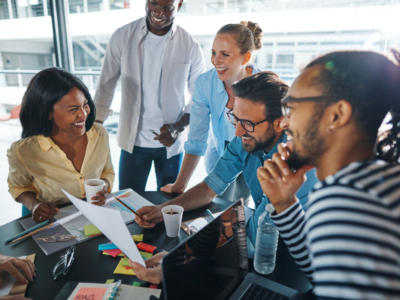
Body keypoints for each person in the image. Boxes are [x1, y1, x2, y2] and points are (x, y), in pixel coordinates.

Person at [257, 50, 400, 299]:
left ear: (337, 115)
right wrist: (284, 203)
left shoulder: (348, 198)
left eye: (291, 108)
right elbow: (321, 271)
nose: (284, 123)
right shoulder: (373, 182)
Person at [135, 72, 318, 247]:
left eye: (248, 123)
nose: (237, 132)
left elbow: (255, 237)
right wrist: (164, 209)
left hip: (298, 257)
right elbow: (209, 188)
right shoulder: (244, 139)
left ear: (279, 122)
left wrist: (179, 257)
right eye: (236, 119)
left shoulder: (299, 165)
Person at [94, 0, 205, 192]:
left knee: (169, 204)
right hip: (133, 141)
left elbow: (199, 99)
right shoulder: (122, 36)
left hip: (171, 144)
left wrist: (177, 127)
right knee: (128, 202)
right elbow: (106, 85)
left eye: (167, 8)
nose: (158, 12)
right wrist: (94, 131)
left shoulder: (190, 46)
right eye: (153, 3)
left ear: (178, 5)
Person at [161, 22, 263, 204]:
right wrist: (180, 184)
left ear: (245, 57)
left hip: (255, 153)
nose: (216, 61)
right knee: (220, 204)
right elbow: (197, 138)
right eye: (214, 53)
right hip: (221, 152)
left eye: (225, 54)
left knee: (243, 203)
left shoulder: (264, 86)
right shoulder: (205, 83)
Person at [7, 68, 114, 222]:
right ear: (47, 113)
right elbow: (19, 187)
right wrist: (35, 205)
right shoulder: (23, 151)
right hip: (54, 218)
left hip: (91, 213)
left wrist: (103, 185)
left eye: (85, 105)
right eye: (73, 109)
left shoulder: (100, 134)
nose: (84, 114)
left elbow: (107, 170)